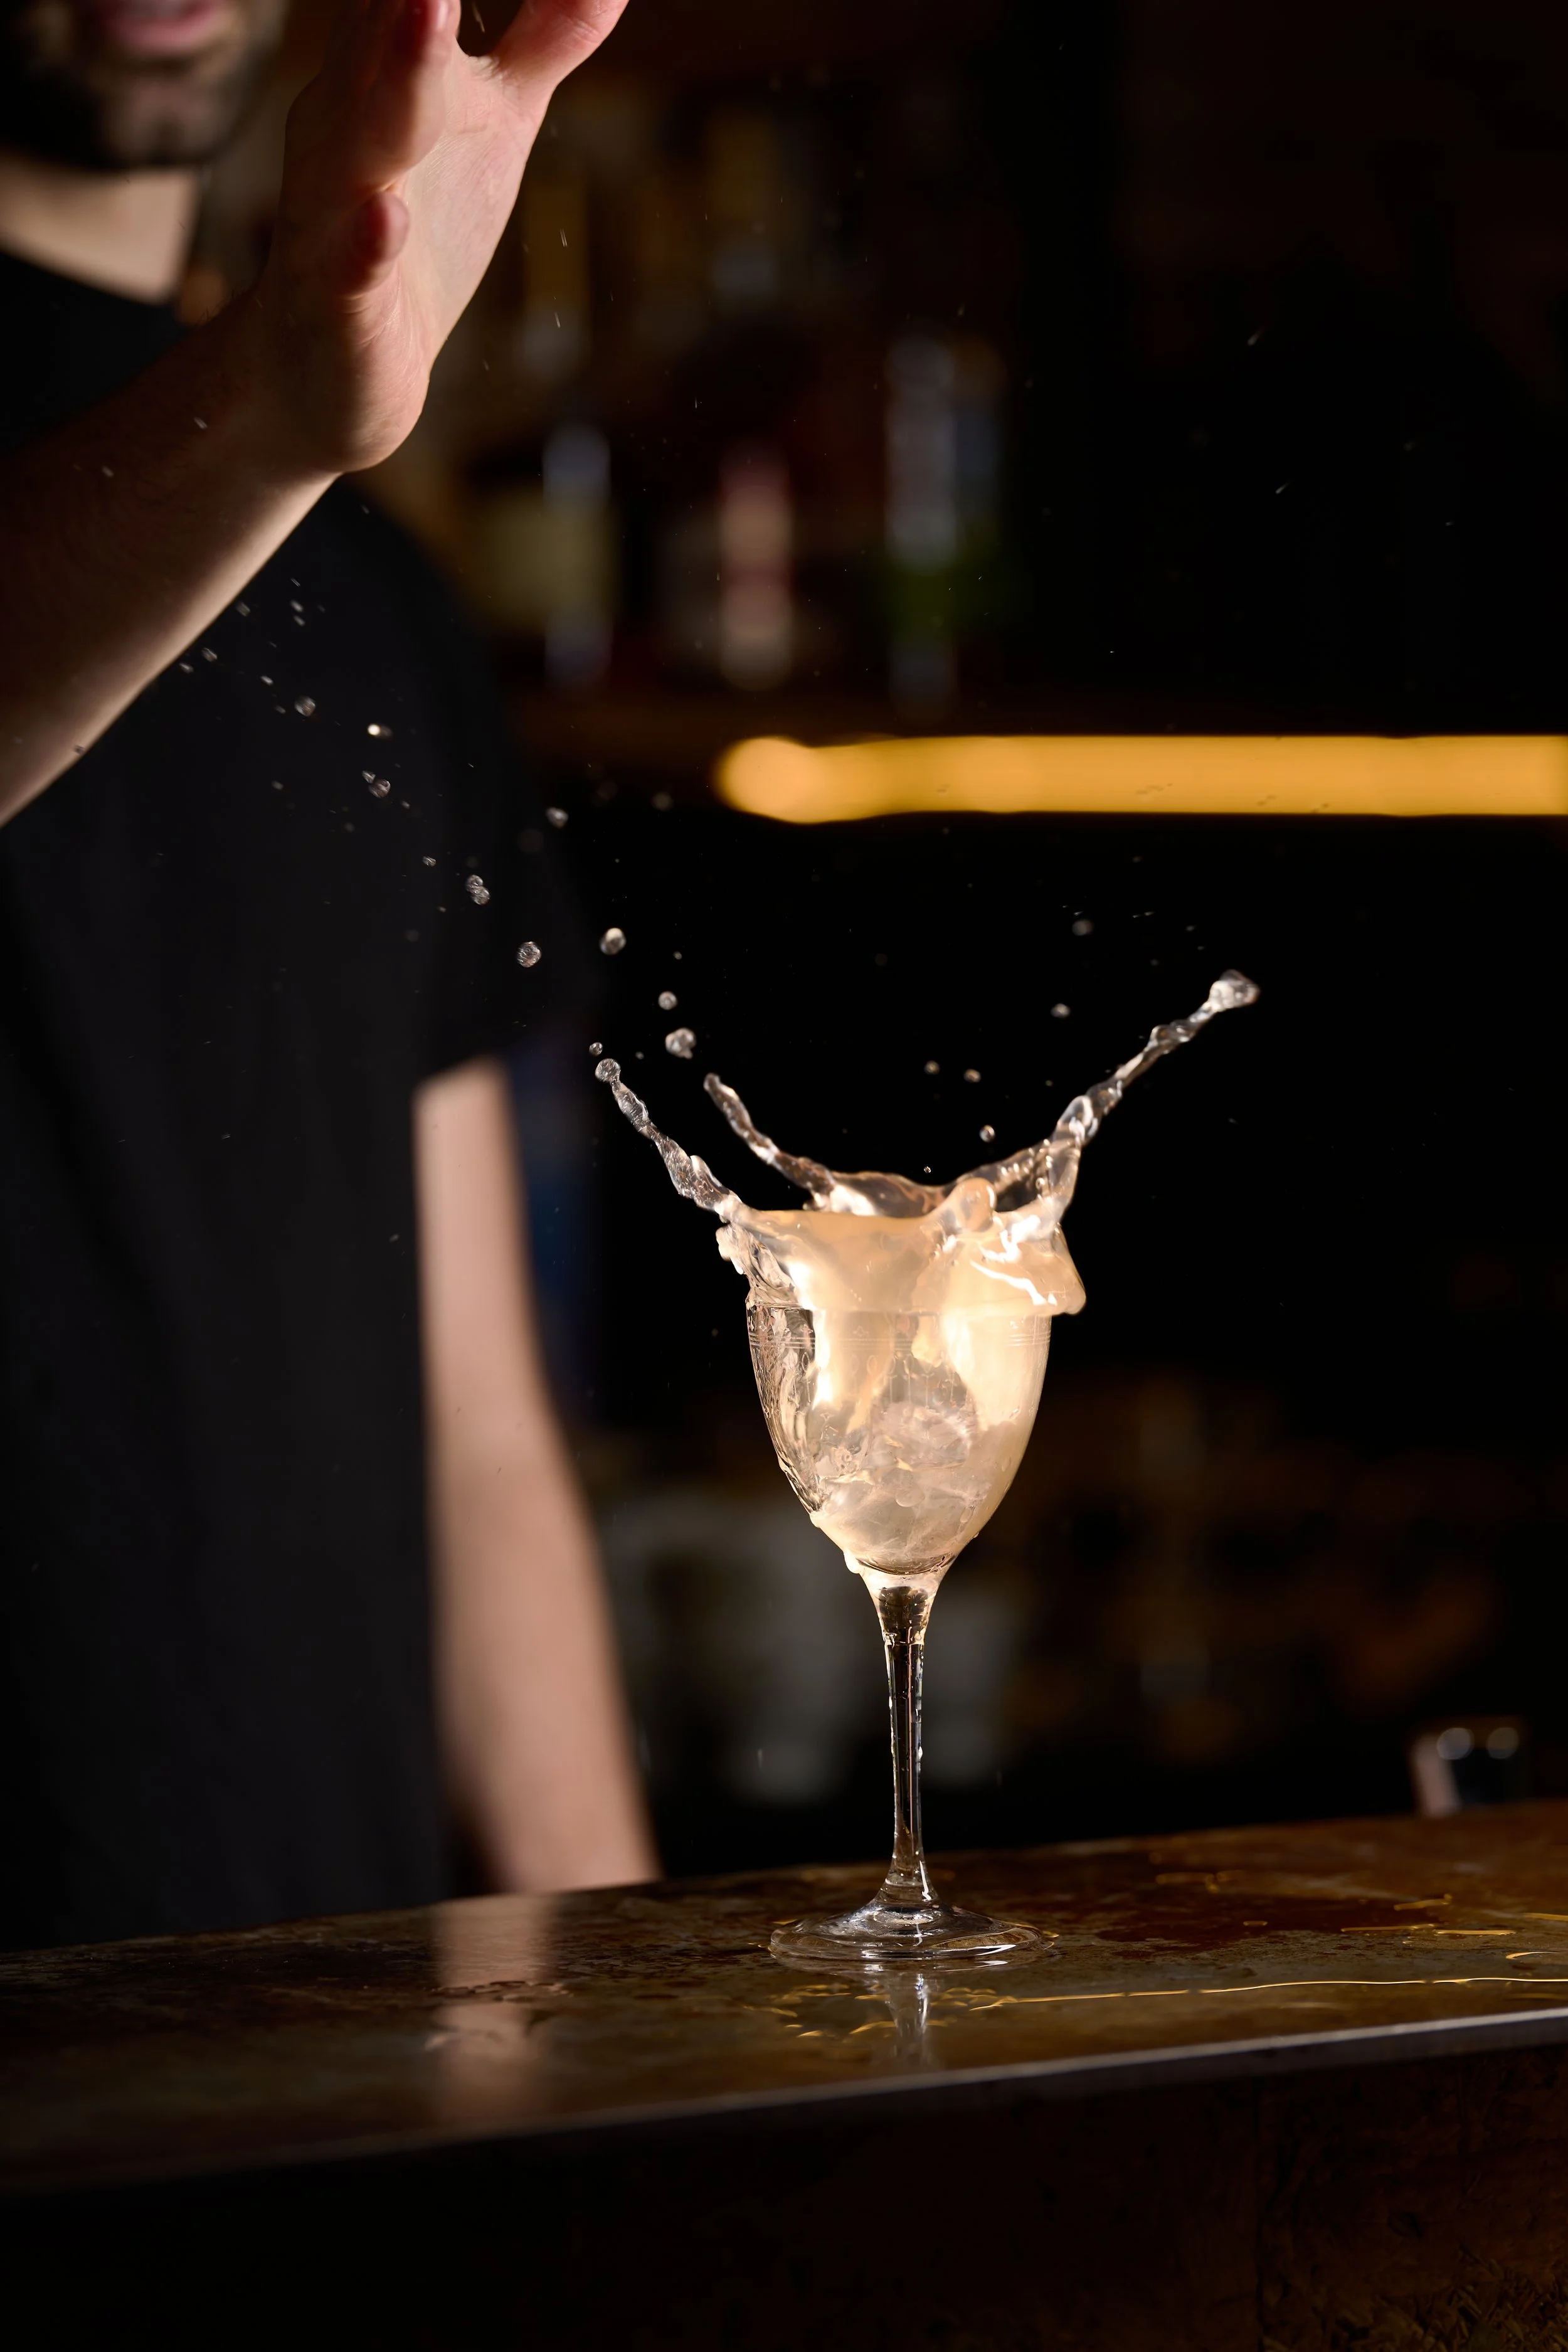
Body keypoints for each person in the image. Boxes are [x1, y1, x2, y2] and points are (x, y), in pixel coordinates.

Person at [0, 0, 658, 1947]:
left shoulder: (376, 587)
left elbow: (475, 1423)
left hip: (330, 2030)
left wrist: (630, 2037)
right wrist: (273, 407)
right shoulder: (284, 431)